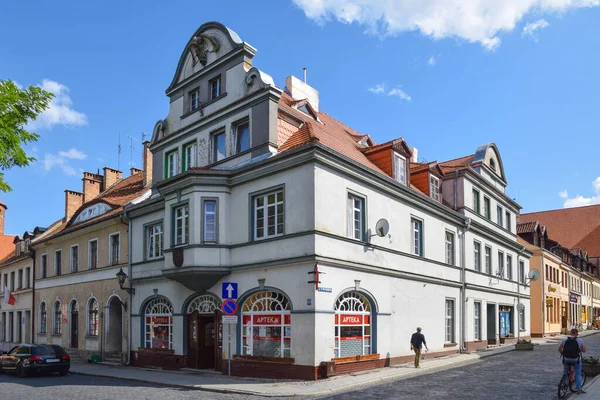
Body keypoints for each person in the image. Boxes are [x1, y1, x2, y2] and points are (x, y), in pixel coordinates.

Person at [558, 328, 587, 394]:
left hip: (566, 359)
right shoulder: (580, 340)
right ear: (577, 334)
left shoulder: (564, 339)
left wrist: (563, 354)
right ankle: (579, 389)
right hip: (576, 360)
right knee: (578, 373)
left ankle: (563, 383)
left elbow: (559, 349)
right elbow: (584, 350)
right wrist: (581, 350)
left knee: (565, 371)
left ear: (570, 333)